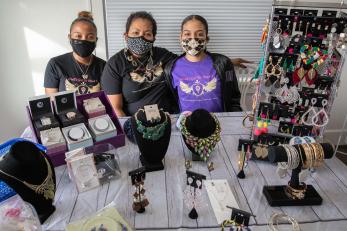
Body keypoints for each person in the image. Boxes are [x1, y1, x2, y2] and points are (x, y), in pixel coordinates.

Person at [101, 11, 249, 117]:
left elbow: (194, 60)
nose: (141, 37)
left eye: (147, 33)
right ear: (126, 36)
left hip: (170, 120)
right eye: (135, 33)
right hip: (138, 122)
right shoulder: (115, 64)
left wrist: (227, 62)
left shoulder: (164, 57)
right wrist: (128, 129)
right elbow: (115, 108)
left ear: (153, 37)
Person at [164, 15, 242, 112]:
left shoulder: (225, 64)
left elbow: (233, 97)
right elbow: (170, 101)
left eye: (199, 34)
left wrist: (234, 120)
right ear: (180, 37)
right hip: (186, 124)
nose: (193, 39)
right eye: (187, 34)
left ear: (207, 38)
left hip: (220, 123)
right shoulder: (170, 68)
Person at [44, 11, 106, 95]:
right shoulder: (55, 64)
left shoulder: (105, 67)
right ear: (70, 37)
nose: (84, 40)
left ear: (96, 40)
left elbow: (108, 99)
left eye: (90, 37)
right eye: (78, 36)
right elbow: (51, 100)